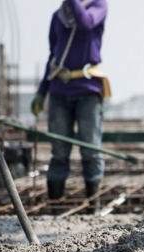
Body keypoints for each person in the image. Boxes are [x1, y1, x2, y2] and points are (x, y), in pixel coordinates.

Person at [31, 0, 109, 215]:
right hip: (59, 92)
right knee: (59, 152)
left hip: (88, 90)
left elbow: (85, 23)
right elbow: (53, 56)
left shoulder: (98, 5)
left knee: (91, 151)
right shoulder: (58, 16)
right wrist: (41, 91)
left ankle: (93, 209)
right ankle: (55, 210)